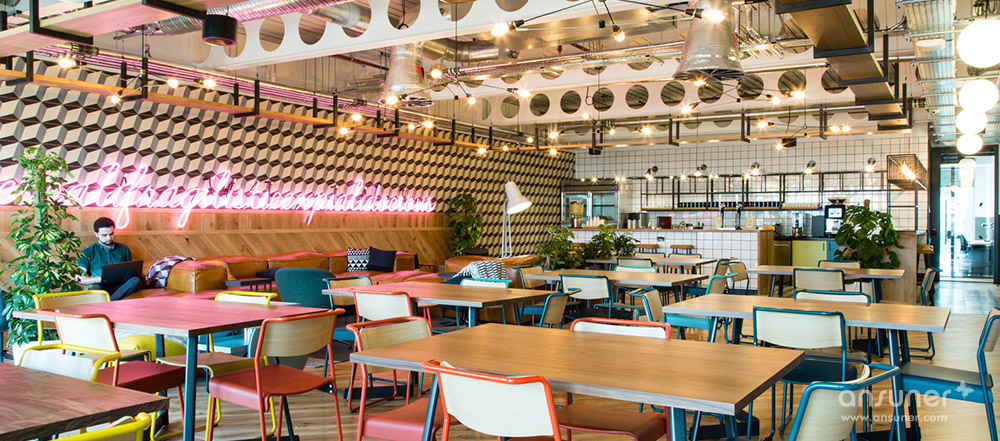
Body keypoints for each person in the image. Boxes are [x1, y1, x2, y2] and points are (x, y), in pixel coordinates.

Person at [78, 217, 141, 301]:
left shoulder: (123, 248)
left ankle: (109, 302)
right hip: (101, 285)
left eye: (111, 234)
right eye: (104, 235)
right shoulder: (87, 252)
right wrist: (102, 278)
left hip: (121, 286)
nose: (109, 238)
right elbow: (80, 278)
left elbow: (131, 271)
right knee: (95, 288)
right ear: (96, 234)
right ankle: (112, 301)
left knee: (136, 281)